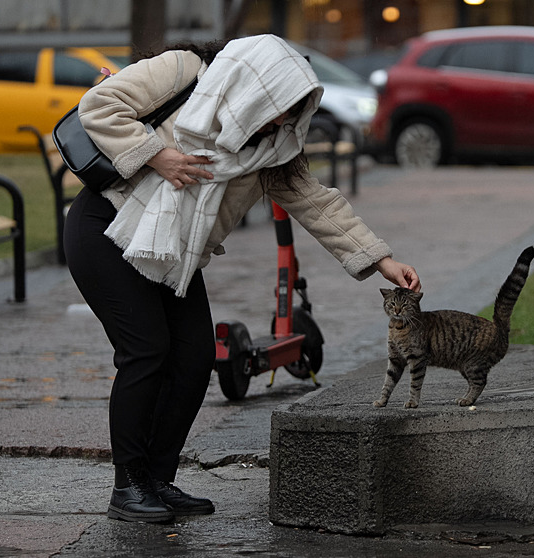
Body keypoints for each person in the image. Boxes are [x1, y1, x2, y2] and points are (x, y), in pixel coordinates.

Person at [63, 35, 420, 524]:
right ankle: (128, 485)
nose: (281, 123)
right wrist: (155, 155)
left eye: (291, 114)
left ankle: (159, 479)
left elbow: (316, 203)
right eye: (276, 109)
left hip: (172, 252)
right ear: (256, 86)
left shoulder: (273, 145)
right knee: (146, 351)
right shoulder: (185, 70)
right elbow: (100, 106)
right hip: (107, 227)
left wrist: (383, 261)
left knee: (193, 358)